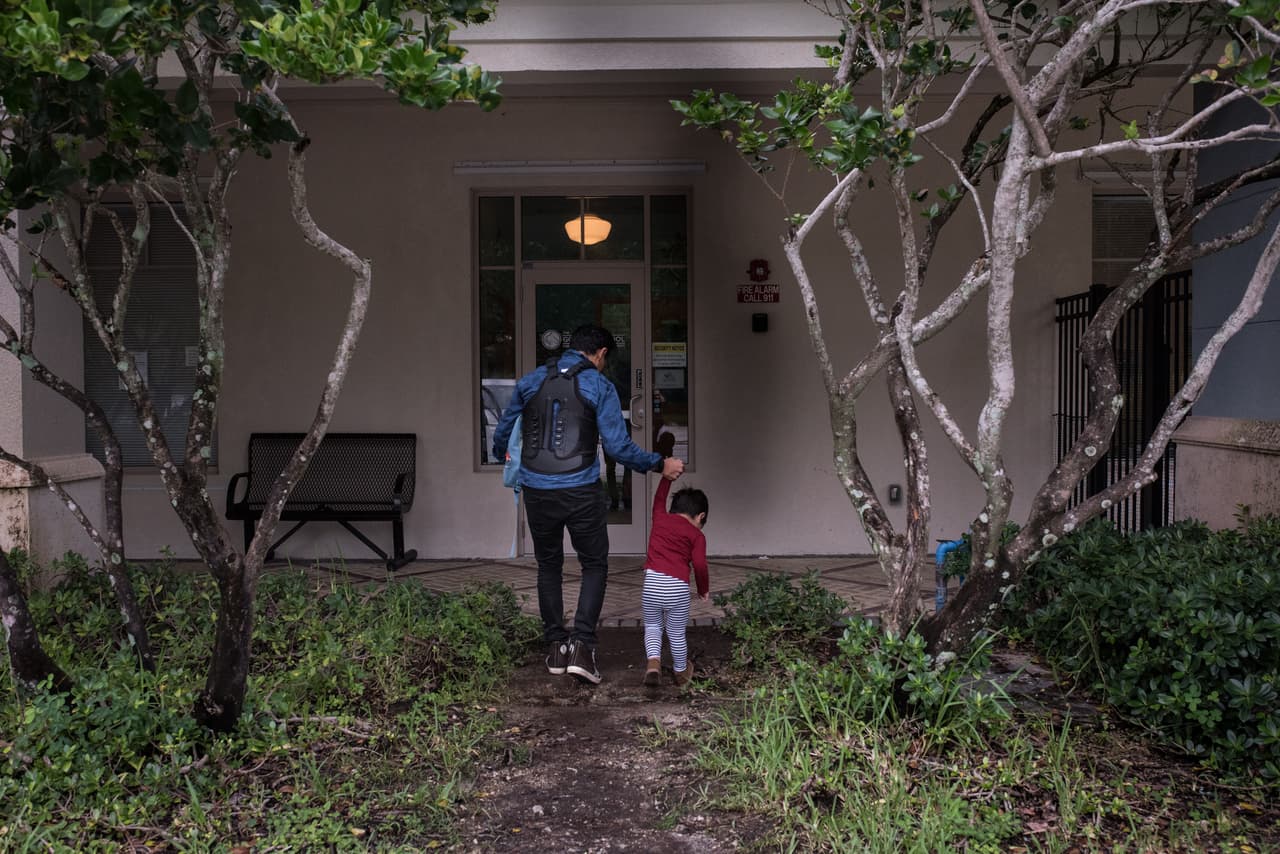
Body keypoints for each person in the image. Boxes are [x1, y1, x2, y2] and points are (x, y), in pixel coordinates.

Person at [492, 325, 684, 685]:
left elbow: (504, 429)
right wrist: (660, 463)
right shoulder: (599, 385)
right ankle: (582, 647)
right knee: (594, 564)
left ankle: (555, 647)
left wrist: (499, 456)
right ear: (601, 354)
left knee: (548, 564)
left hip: (536, 489)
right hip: (581, 489)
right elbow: (617, 448)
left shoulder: (531, 380)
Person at [641, 478, 709, 687]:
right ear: (701, 516)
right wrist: (703, 589)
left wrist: (666, 478)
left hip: (651, 584)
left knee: (652, 626)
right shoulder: (696, 535)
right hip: (677, 588)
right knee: (676, 632)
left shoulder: (660, 517)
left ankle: (653, 664)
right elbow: (699, 565)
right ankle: (681, 673)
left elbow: (659, 498)